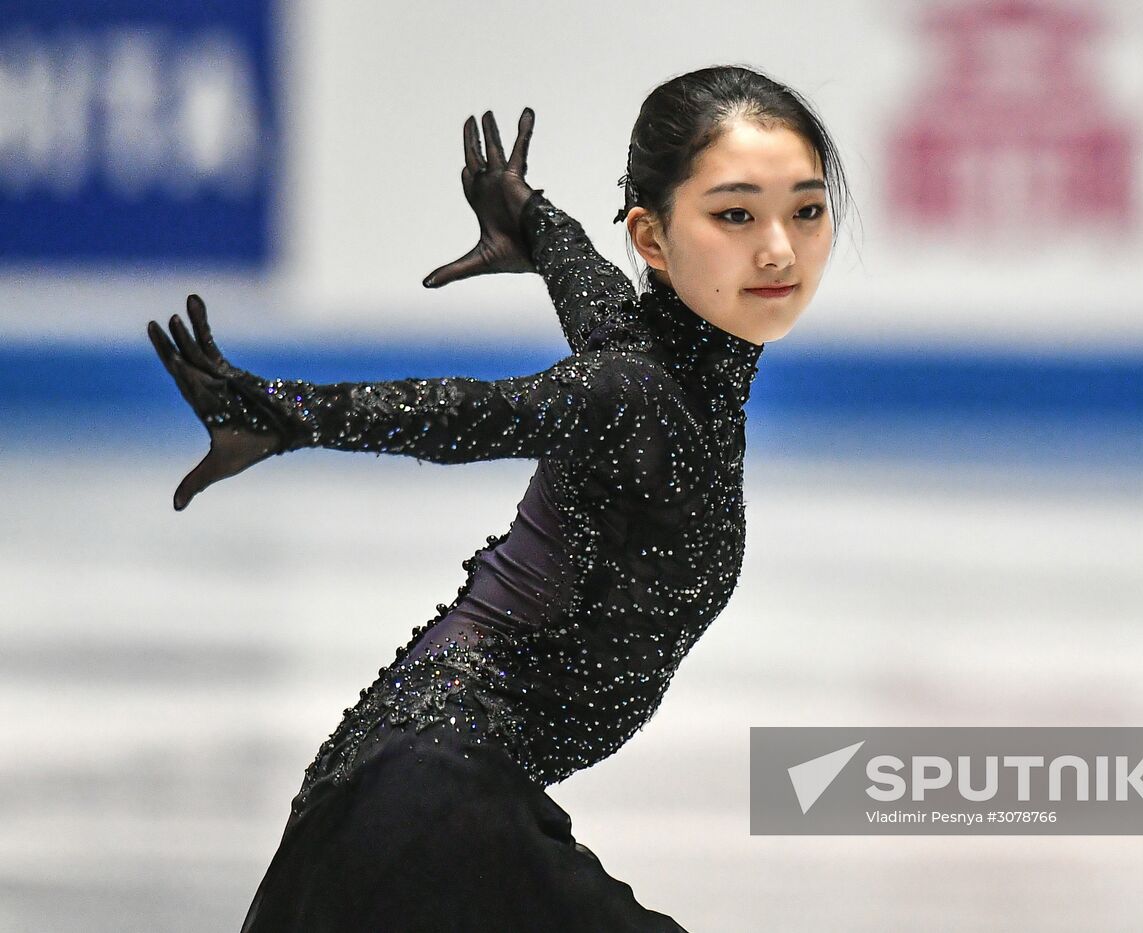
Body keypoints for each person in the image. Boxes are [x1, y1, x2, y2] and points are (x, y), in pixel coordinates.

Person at [148, 64, 849, 932]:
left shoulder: (659, 365)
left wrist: (525, 212)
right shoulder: (632, 393)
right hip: (433, 796)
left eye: (805, 210)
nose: (778, 247)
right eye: (736, 214)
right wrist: (289, 414)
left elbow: (582, 279)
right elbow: (471, 412)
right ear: (655, 240)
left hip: (418, 781)